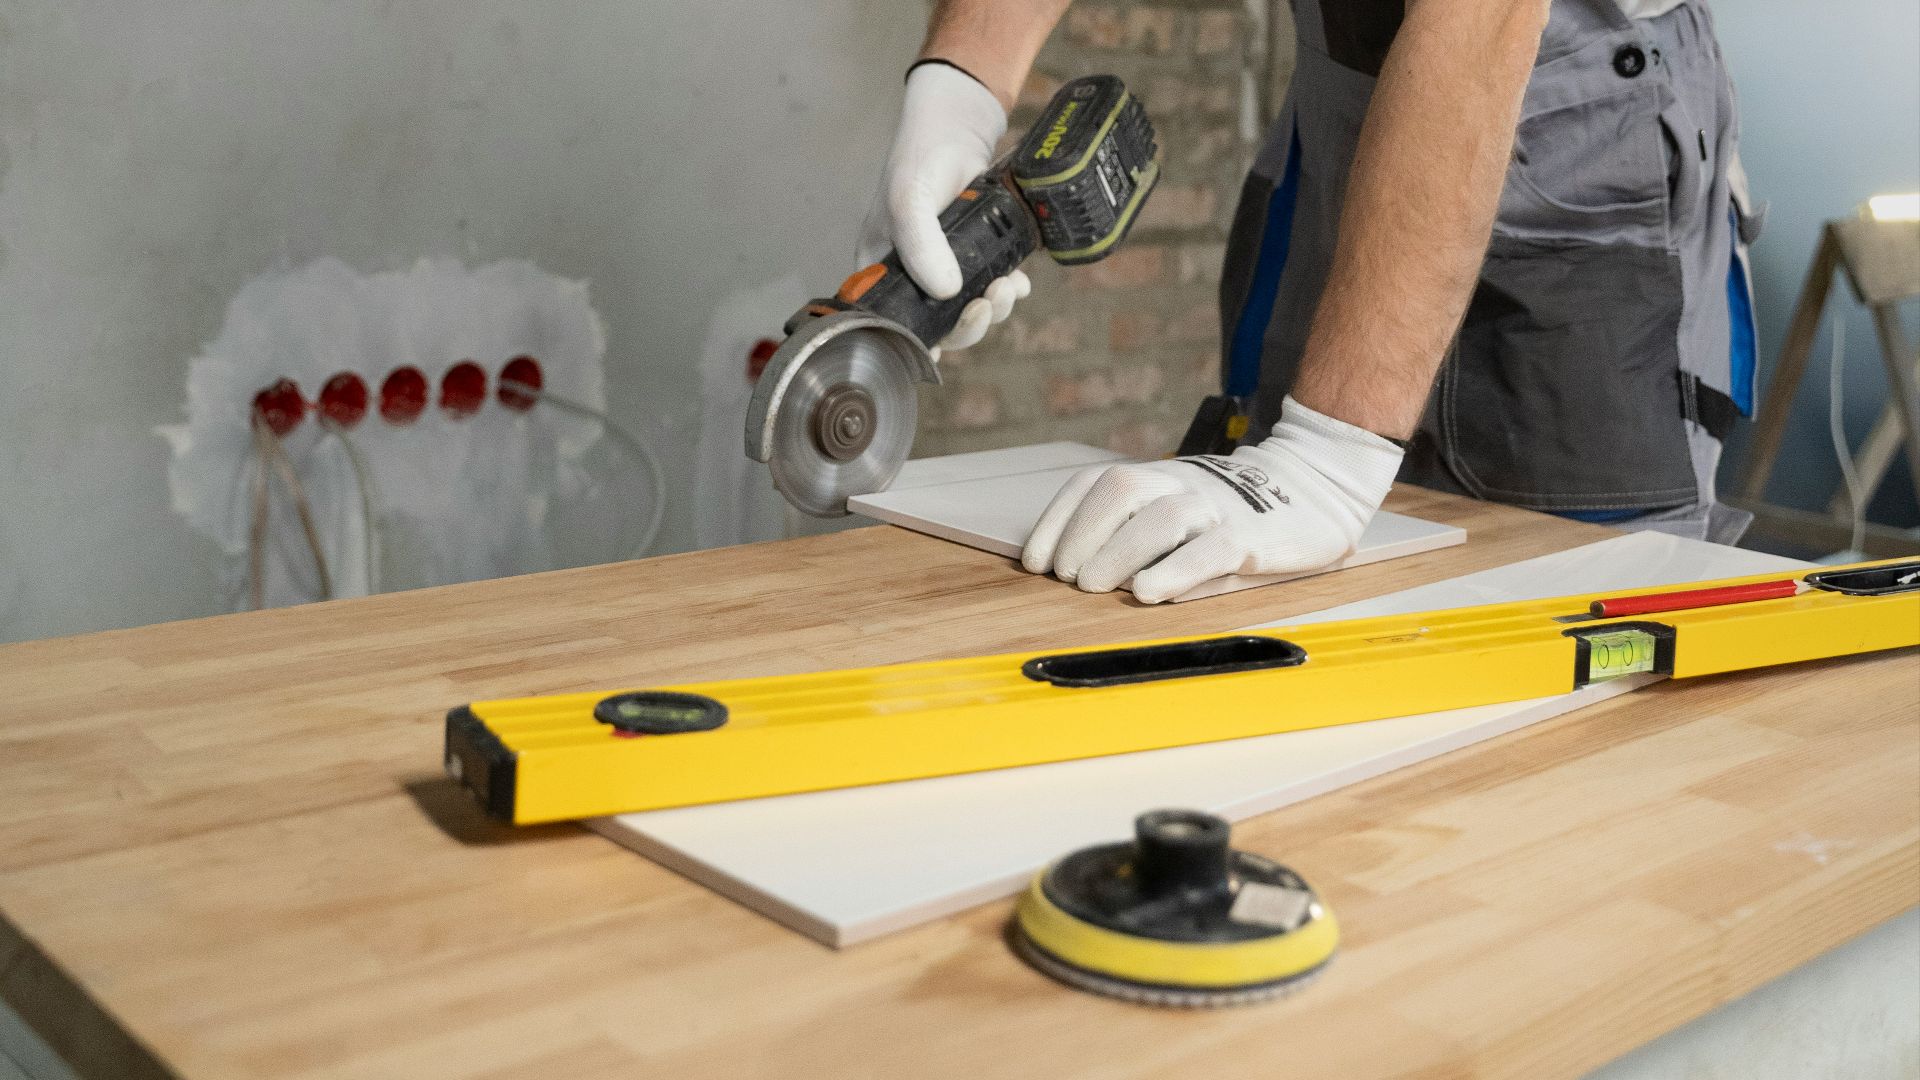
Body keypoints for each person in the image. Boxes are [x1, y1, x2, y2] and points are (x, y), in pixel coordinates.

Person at [859, 0, 1761, 603]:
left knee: (1572, 606)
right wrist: (962, 89)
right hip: (1346, 80)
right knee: (1280, 578)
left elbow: (1481, 18)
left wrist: (1332, 451)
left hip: (1564, 111)